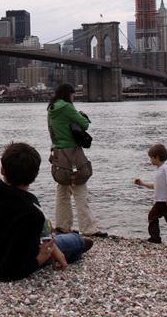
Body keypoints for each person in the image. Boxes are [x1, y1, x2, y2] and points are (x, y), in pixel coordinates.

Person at [0, 142, 92, 282]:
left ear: (2, 170)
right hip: (15, 256)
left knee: (52, 240)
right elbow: (7, 273)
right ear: (34, 176)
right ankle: (77, 240)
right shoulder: (31, 214)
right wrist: (40, 258)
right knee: (77, 241)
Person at [47, 83, 107, 237]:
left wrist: (52, 150)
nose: (74, 98)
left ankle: (62, 226)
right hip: (72, 153)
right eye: (73, 95)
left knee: (62, 191)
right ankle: (89, 229)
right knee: (80, 190)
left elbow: (52, 133)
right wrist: (81, 116)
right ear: (69, 94)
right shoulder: (67, 107)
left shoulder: (51, 109)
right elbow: (85, 124)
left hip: (59, 154)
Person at [135, 144, 167, 247]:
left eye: (151, 158)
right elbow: (156, 186)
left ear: (157, 158)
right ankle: (155, 238)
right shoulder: (158, 170)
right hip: (159, 202)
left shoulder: (165, 169)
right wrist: (143, 183)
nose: (150, 160)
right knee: (152, 216)